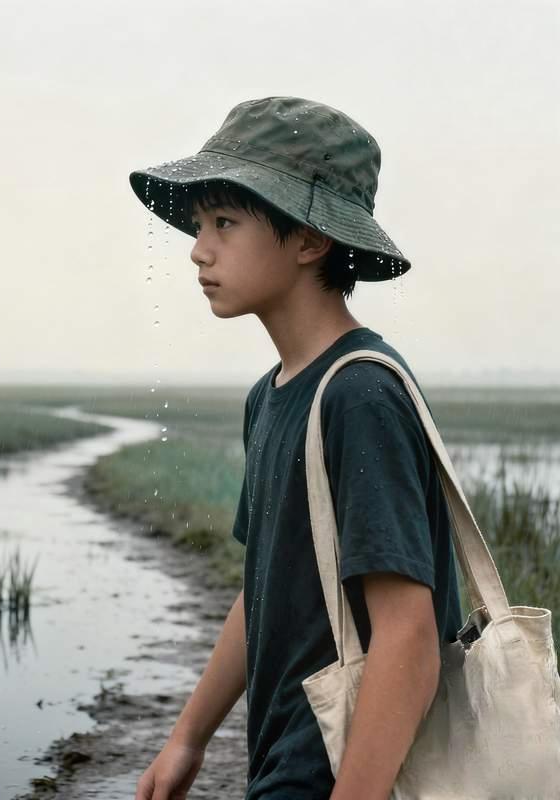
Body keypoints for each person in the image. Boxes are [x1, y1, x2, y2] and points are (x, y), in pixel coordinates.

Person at [127, 96, 463, 800]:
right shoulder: (273, 394)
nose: (198, 248)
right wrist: (188, 737)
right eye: (198, 225)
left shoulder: (359, 397)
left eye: (225, 222)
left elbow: (410, 638)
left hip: (338, 772)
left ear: (310, 240)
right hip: (281, 756)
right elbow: (263, 589)